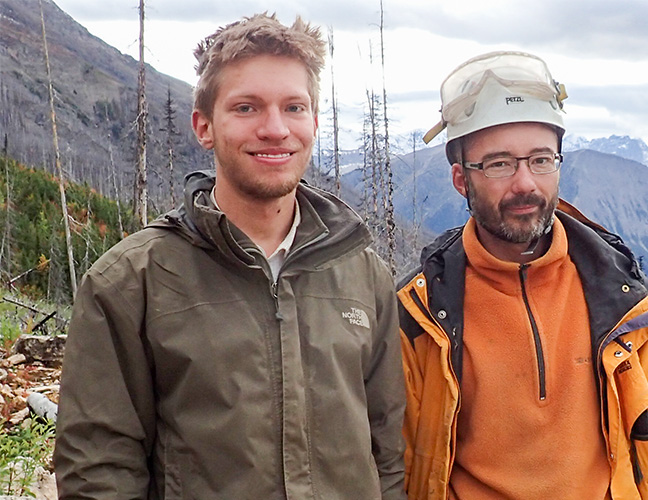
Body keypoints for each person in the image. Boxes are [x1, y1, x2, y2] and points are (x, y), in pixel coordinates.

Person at [54, 13, 406, 500]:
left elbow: (387, 449)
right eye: (246, 108)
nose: (275, 129)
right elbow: (98, 469)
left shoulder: (364, 275)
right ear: (205, 126)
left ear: (314, 123)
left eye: (294, 107)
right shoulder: (130, 284)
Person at [398, 51, 648, 500]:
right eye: (499, 163)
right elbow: (400, 463)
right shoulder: (422, 312)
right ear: (460, 179)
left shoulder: (622, 295)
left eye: (541, 160)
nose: (525, 182)